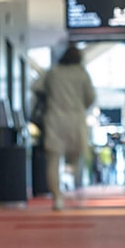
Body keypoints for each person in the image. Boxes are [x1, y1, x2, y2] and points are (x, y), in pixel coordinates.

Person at [33, 45, 96, 211]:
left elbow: (36, 87)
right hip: (76, 120)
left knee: (53, 160)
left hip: (55, 119)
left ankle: (57, 198)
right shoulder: (82, 74)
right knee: (76, 158)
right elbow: (90, 98)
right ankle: (77, 191)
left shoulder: (53, 72)